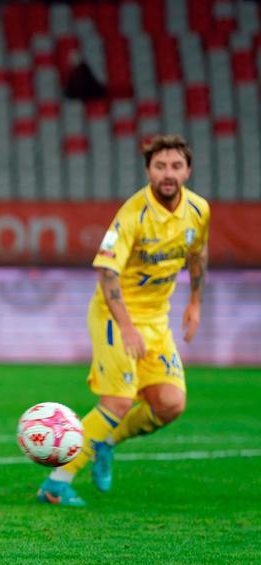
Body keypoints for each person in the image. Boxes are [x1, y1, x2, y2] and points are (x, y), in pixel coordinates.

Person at [38, 134, 209, 507]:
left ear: (188, 170)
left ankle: (107, 441)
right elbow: (107, 272)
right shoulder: (133, 215)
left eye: (176, 166)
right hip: (115, 317)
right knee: (117, 402)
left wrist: (195, 302)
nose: (168, 173)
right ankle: (56, 484)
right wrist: (127, 328)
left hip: (157, 320)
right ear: (148, 170)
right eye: (160, 166)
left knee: (170, 404)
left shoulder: (198, 210)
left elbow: (198, 252)